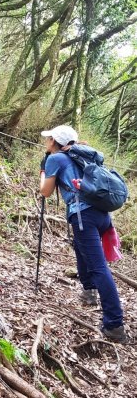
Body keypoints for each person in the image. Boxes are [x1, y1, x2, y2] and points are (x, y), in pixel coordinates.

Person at [39, 125, 127, 343]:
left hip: (83, 216)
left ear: (54, 141)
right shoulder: (84, 156)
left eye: (48, 138)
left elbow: (45, 191)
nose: (45, 141)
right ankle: (89, 293)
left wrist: (43, 172)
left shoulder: (56, 159)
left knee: (98, 267)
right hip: (102, 215)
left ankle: (114, 325)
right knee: (81, 250)